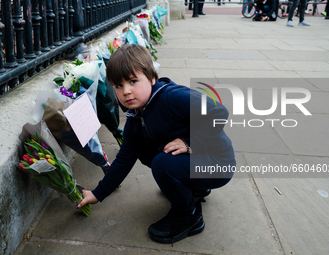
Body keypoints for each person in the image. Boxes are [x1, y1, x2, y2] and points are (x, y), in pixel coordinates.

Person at [77, 44, 236, 244]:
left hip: (218, 164)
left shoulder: (171, 97)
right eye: (118, 85)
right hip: (197, 162)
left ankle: (189, 215)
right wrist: (97, 194)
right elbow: (124, 160)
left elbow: (218, 113)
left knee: (163, 163)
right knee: (143, 150)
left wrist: (191, 143)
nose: (126, 91)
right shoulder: (135, 119)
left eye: (133, 81)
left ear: (152, 78)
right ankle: (193, 187)